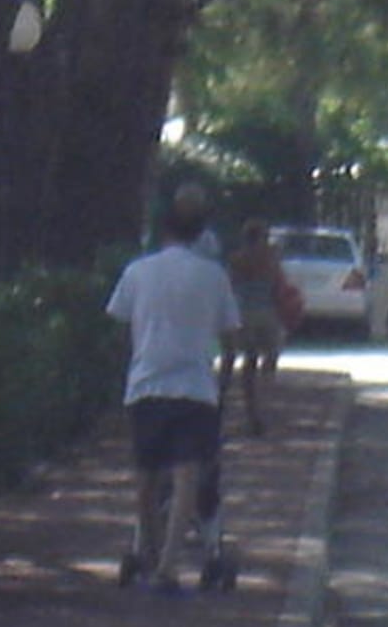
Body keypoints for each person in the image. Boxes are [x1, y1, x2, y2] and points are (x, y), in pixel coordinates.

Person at [107, 187, 241, 595]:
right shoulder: (213, 276)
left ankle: (147, 553)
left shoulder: (137, 272)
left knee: (147, 478)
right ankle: (169, 565)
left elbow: (119, 328)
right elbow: (230, 339)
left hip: (146, 384)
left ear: (163, 229)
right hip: (195, 388)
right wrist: (224, 384)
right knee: (188, 477)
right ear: (200, 232)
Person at [219, 219, 285, 435]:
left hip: (242, 313)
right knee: (264, 359)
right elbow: (278, 285)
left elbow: (229, 285)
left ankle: (232, 407)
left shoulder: (236, 259)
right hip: (263, 313)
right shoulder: (269, 258)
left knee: (243, 360)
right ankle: (256, 411)